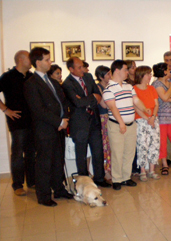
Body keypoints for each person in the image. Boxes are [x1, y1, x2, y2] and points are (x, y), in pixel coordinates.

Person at [23, 47, 72, 206]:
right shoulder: (31, 83)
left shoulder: (51, 80)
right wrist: (59, 122)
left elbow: (63, 102)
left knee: (58, 161)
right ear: (37, 62)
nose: (50, 62)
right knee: (44, 163)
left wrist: (64, 118)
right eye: (47, 59)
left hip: (59, 127)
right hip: (44, 129)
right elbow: (38, 110)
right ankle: (44, 196)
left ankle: (59, 189)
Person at [62, 57, 110, 188]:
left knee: (98, 151)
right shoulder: (67, 83)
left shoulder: (88, 77)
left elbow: (98, 95)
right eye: (78, 67)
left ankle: (99, 178)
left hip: (94, 120)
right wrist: (91, 98)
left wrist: (87, 99)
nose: (82, 69)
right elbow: (77, 103)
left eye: (82, 66)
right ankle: (84, 182)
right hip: (79, 124)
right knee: (81, 155)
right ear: (71, 69)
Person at [103, 60, 151, 190]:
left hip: (131, 124)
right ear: (117, 70)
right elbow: (113, 108)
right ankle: (117, 179)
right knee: (117, 153)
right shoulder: (108, 89)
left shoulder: (128, 86)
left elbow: (136, 101)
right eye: (125, 69)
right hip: (117, 125)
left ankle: (126, 177)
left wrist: (145, 108)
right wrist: (121, 123)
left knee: (129, 152)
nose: (127, 72)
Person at [0, 50, 35, 196]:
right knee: (18, 153)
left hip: (33, 120)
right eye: (29, 57)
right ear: (20, 60)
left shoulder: (32, 77)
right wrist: (6, 110)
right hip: (17, 121)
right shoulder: (7, 77)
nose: (32, 60)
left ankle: (32, 182)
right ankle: (18, 185)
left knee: (31, 153)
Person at [134, 66, 160, 181]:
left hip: (153, 119)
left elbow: (156, 104)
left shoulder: (152, 88)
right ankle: (142, 170)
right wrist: (147, 118)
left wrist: (153, 117)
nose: (150, 76)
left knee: (154, 144)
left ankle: (152, 169)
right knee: (142, 145)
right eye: (148, 74)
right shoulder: (134, 89)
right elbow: (135, 106)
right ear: (141, 75)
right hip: (141, 120)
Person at [95, 66, 112, 182]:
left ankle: (111, 168)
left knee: (111, 145)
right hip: (103, 118)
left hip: (112, 117)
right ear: (101, 76)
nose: (110, 76)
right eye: (107, 75)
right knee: (105, 145)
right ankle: (105, 170)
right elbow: (104, 105)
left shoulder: (111, 86)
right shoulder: (98, 87)